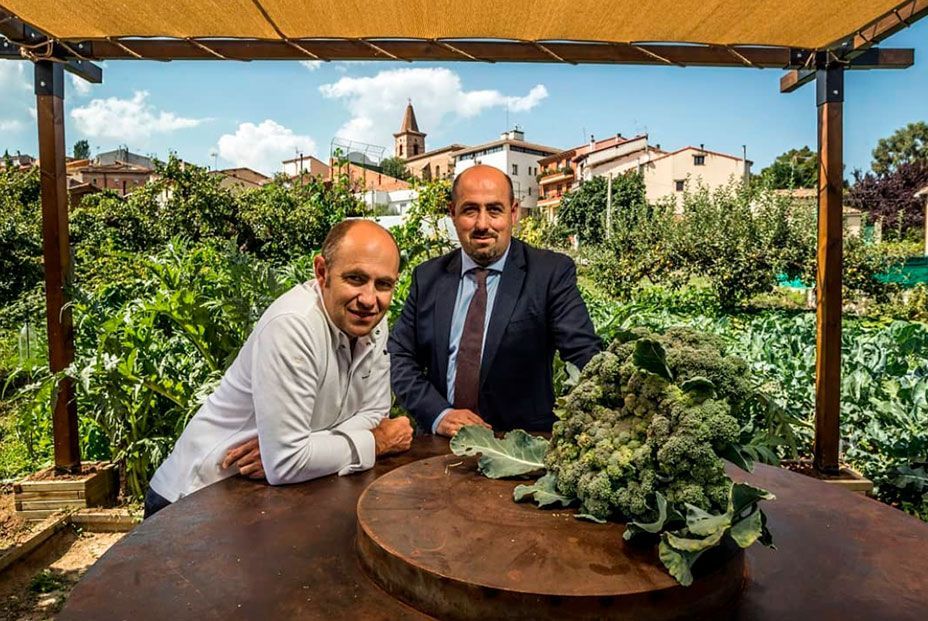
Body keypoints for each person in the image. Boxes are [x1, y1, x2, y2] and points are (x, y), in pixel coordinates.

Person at [145, 220, 413, 518]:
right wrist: (375, 442)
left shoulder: (374, 321)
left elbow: (375, 413)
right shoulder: (293, 325)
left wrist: (305, 449)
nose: (369, 299)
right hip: (192, 500)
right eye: (355, 278)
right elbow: (288, 463)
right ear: (322, 272)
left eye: (384, 284)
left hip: (255, 500)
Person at [388, 164, 601, 437]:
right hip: (439, 446)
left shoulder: (549, 274)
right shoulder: (428, 277)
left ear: (513, 213)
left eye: (494, 210)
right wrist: (438, 414)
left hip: (522, 448)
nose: (482, 224)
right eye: (470, 210)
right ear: (452, 213)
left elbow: (584, 353)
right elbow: (399, 356)